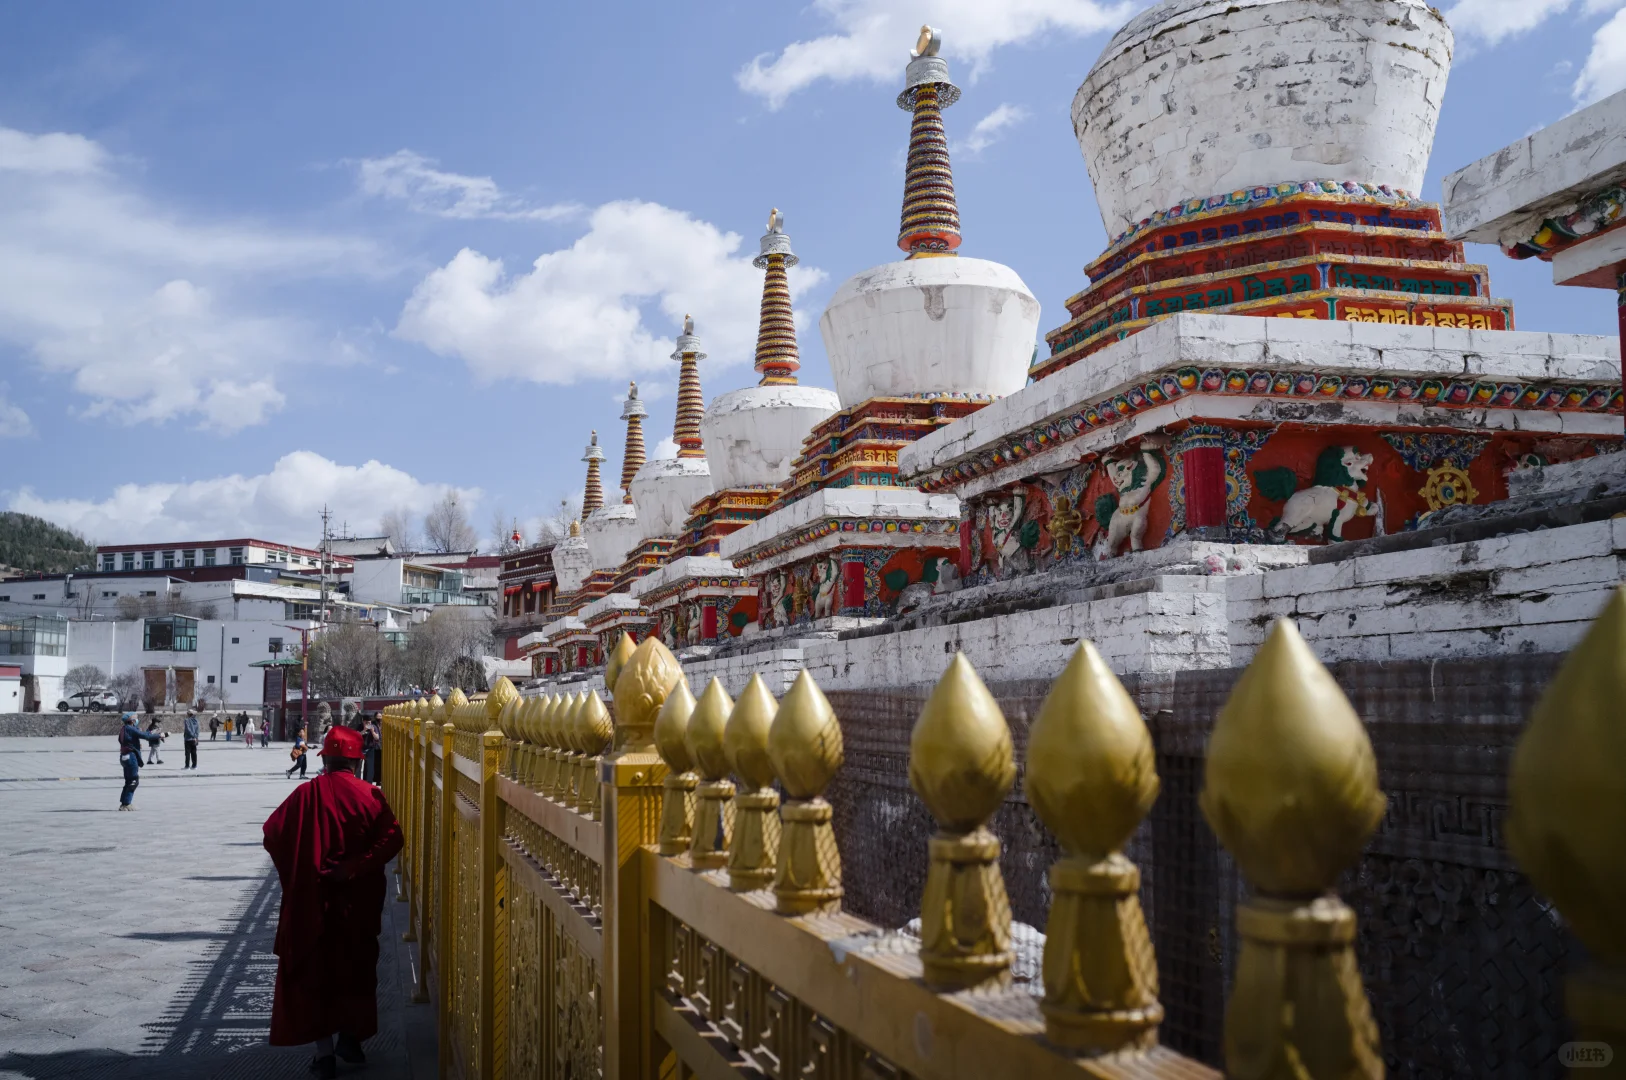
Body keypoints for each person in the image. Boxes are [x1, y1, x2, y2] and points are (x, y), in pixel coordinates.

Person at [262, 726, 402, 1078]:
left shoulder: (305, 794)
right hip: (356, 903)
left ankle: (324, 1055)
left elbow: (272, 833)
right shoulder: (369, 795)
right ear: (357, 762)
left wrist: (300, 873)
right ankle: (351, 1039)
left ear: (325, 760)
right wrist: (357, 867)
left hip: (313, 901)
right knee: (354, 969)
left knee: (315, 977)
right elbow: (393, 839)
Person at [118, 713, 164, 810]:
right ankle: (127, 803)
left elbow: (123, 740)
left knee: (128, 781)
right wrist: (159, 735)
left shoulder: (123, 728)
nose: (137, 721)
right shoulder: (130, 728)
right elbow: (145, 736)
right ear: (132, 721)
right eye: (136, 719)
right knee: (134, 780)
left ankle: (123, 803)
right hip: (131, 757)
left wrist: (134, 743)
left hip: (124, 757)